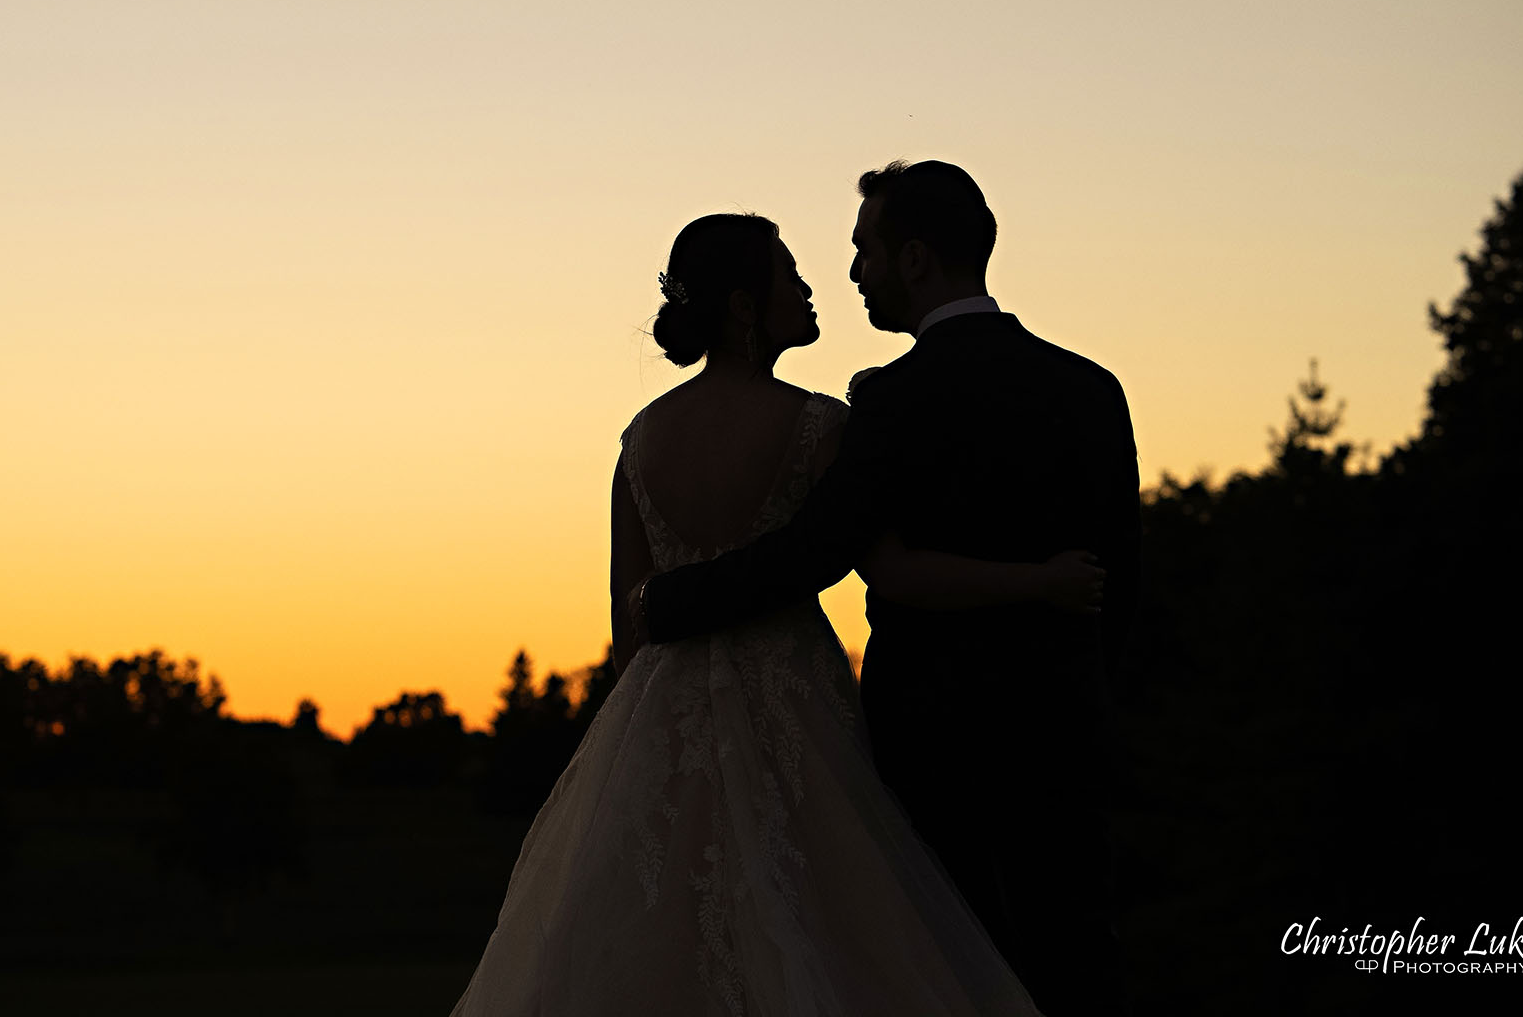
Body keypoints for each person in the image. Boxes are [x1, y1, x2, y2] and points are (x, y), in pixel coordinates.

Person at [452, 210, 1103, 1016]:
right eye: (789, 275)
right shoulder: (821, 424)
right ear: (744, 307)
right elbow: (890, 570)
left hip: (657, 719)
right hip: (798, 707)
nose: (808, 288)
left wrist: (659, 731)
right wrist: (1037, 581)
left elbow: (630, 623)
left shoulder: (641, 439)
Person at [637, 164, 1139, 1016]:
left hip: (932, 743)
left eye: (863, 249)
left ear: (913, 259)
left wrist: (669, 603)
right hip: (1065, 733)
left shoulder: (887, 401)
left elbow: (819, 549)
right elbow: (1121, 583)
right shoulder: (1091, 387)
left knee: (948, 971)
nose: (851, 272)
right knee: (1073, 961)